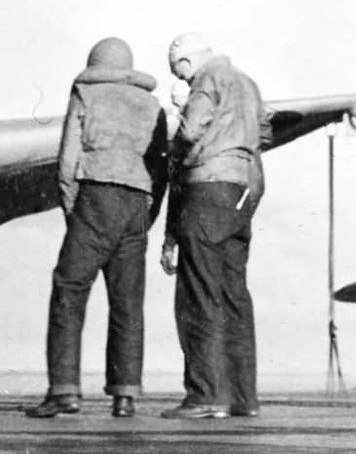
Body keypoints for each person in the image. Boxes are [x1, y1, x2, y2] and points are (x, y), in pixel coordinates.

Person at [28, 37, 169, 421]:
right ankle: (125, 395)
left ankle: (64, 391)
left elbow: (67, 159)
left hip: (96, 196)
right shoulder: (152, 104)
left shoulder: (86, 92)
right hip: (137, 203)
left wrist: (75, 211)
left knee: (69, 289)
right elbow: (160, 168)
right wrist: (146, 213)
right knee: (127, 302)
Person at [159, 32, 267, 420]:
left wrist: (177, 150)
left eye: (181, 73)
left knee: (197, 295)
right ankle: (242, 398)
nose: (185, 81)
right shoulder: (247, 83)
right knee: (234, 296)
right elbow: (265, 132)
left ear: (186, 62)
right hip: (242, 192)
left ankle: (205, 396)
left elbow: (190, 130)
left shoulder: (207, 79)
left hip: (207, 190)